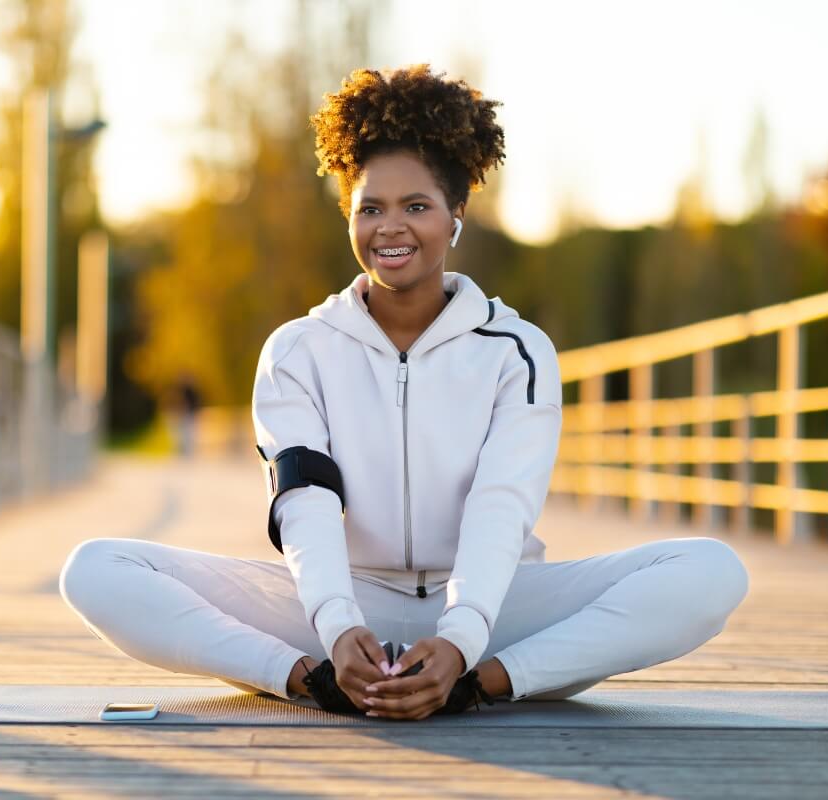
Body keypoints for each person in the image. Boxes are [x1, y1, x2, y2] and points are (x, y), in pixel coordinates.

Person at [59, 64, 749, 721]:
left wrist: (463, 644)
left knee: (710, 572)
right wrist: (334, 629)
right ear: (349, 217)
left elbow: (501, 505)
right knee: (95, 569)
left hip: (493, 610)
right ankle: (309, 681)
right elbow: (305, 501)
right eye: (371, 208)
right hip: (339, 605)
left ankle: (480, 688)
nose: (391, 227)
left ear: (455, 214)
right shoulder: (298, 350)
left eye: (416, 206)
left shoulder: (517, 351)